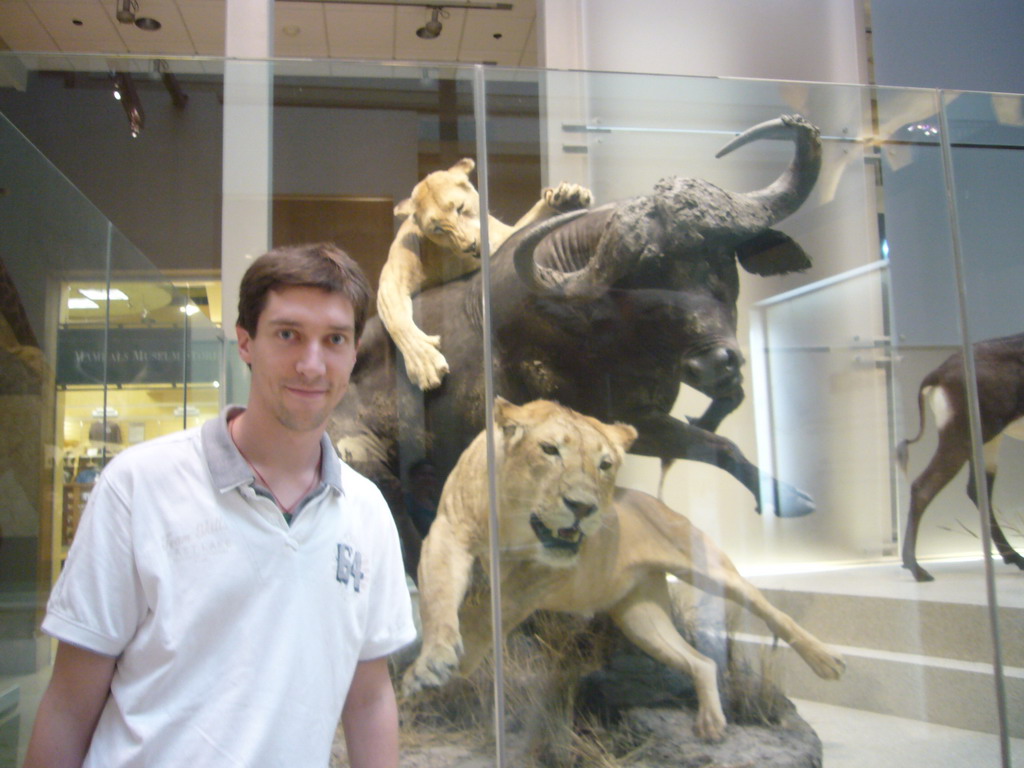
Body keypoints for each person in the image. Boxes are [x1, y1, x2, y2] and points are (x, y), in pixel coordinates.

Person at [24, 243, 417, 768]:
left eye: (335, 339)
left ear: (353, 353)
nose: (311, 363)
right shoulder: (139, 486)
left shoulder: (366, 513)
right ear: (245, 342)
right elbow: (70, 705)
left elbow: (369, 700)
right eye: (287, 334)